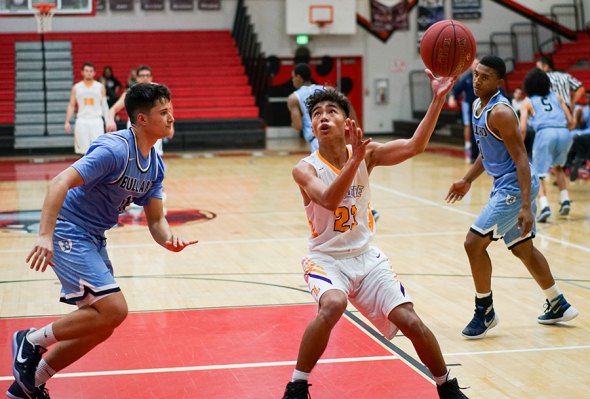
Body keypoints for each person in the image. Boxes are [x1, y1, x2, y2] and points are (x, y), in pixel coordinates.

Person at [283, 72, 470, 399]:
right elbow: (328, 199)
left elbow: (415, 146)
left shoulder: (367, 155)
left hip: (367, 258)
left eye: (331, 111)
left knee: (410, 320)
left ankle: (447, 387)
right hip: (326, 259)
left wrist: (438, 98)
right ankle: (296, 387)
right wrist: (353, 160)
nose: (323, 116)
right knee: (333, 305)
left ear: (347, 122)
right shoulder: (305, 168)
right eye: (316, 114)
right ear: (313, 128)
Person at [7, 83, 196, 399]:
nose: (171, 118)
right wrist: (44, 236)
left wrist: (168, 240)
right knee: (115, 309)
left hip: (93, 236)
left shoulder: (156, 167)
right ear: (141, 119)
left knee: (102, 325)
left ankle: (28, 386)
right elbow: (59, 181)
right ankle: (30, 341)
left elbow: (156, 220)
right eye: (164, 113)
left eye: (171, 111)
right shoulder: (116, 149)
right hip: (69, 229)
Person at [445, 56, 578, 341]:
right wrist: (467, 180)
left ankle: (486, 311)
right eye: (477, 75)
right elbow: (487, 151)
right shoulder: (479, 106)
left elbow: (521, 159)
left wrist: (527, 206)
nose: (478, 80)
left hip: (514, 188)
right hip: (505, 185)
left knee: (473, 243)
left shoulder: (501, 112)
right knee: (523, 248)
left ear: (499, 82)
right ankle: (558, 303)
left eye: (485, 77)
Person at [519, 68, 574, 222]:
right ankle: (565, 200)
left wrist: (518, 147)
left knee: (537, 174)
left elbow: (523, 128)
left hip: (545, 133)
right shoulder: (556, 96)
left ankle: (544, 207)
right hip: (564, 132)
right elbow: (570, 121)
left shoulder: (527, 101)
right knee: (558, 167)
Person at [107, 65, 164, 156]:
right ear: (137, 78)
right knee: (136, 156)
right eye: (142, 75)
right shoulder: (130, 93)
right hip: (136, 128)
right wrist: (110, 121)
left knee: (155, 156)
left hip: (154, 127)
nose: (145, 78)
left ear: (151, 77)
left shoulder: (159, 91)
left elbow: (168, 108)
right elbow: (113, 109)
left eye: (147, 75)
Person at [64, 62, 109, 155]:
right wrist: (67, 121)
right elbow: (72, 105)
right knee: (83, 151)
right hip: (82, 120)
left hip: (96, 120)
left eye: (91, 71)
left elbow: (104, 105)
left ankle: (98, 169)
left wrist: (108, 122)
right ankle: (84, 169)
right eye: (87, 71)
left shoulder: (100, 87)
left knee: (98, 149)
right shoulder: (76, 87)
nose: (89, 73)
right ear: (82, 72)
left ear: (94, 73)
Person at [287, 63, 328, 153]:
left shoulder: (294, 97)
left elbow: (298, 126)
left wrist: (293, 123)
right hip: (333, 135)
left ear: (298, 77)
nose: (292, 80)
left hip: (316, 140)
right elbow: (347, 105)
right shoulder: (327, 89)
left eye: (293, 77)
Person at [448, 58, 479, 163]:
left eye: (478, 64)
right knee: (472, 130)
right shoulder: (466, 79)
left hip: (484, 108)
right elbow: (455, 91)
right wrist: (452, 98)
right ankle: (473, 154)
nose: (476, 65)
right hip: (471, 109)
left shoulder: (484, 78)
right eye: (474, 64)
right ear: (471, 66)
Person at [567, 91, 590, 181]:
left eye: (589, 97)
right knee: (569, 135)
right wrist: (578, 116)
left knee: (576, 136)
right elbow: (581, 125)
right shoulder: (585, 109)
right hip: (585, 134)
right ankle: (571, 164)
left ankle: (577, 161)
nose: (588, 99)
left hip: (586, 134)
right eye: (587, 97)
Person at [511, 87, 534, 159]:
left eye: (519, 93)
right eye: (516, 93)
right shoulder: (508, 102)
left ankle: (528, 155)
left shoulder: (524, 103)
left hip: (524, 126)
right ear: (513, 93)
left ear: (522, 95)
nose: (517, 95)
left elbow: (523, 125)